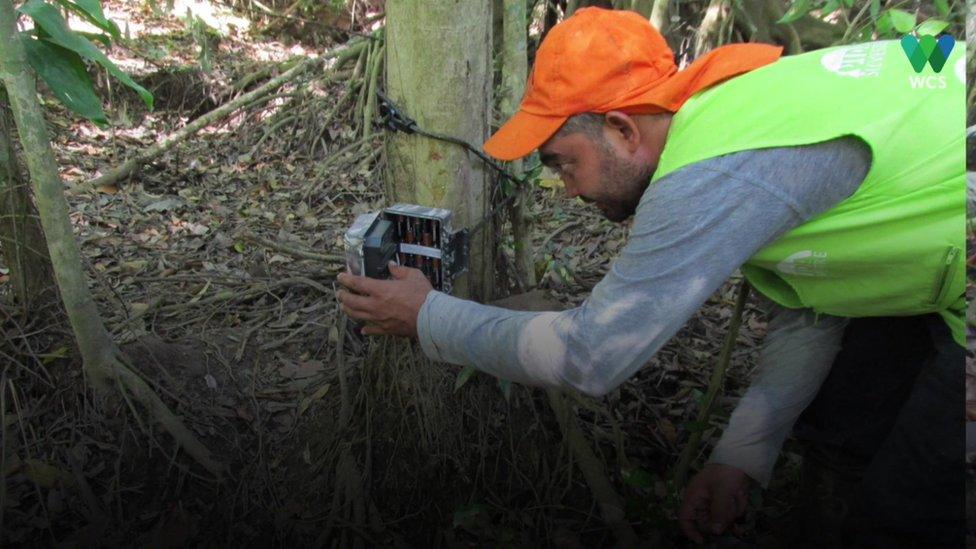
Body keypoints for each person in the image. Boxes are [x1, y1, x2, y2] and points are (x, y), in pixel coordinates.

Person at [336, 7, 965, 547]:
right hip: (934, 245)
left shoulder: (709, 174)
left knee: (909, 507)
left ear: (621, 128)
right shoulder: (739, 108)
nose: (564, 188)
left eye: (563, 163)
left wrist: (425, 316)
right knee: (849, 433)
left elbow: (593, 355)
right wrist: (741, 459)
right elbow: (815, 308)